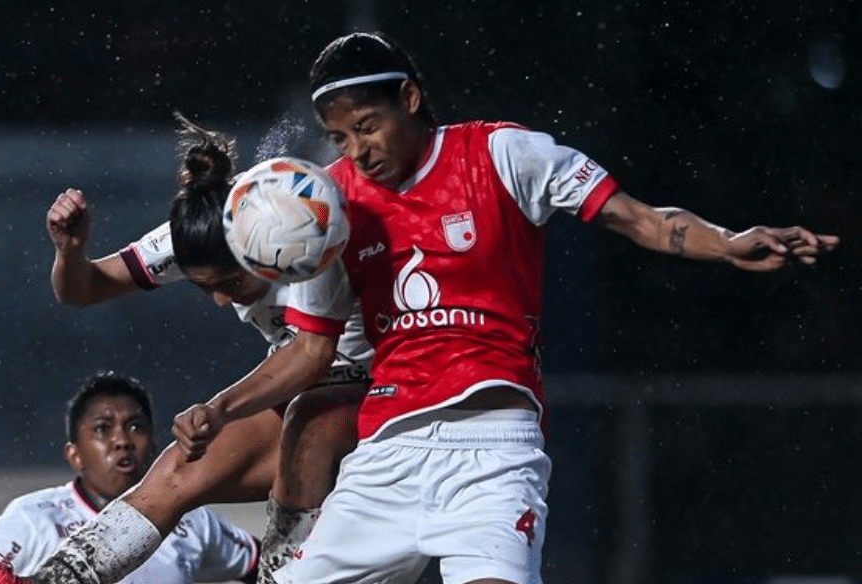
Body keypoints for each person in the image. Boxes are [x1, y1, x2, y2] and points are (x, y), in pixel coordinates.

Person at [165, 31, 840, 584]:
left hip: (493, 452)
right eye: (340, 139)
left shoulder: (502, 154)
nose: (356, 151)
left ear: (411, 97)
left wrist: (726, 244)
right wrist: (221, 408)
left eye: (367, 128)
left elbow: (640, 219)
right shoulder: (328, 206)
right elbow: (310, 352)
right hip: (387, 453)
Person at [0, 117, 372, 584]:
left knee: (310, 428)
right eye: (207, 289)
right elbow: (82, 291)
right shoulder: (192, 233)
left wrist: (219, 408)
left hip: (377, 385)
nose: (222, 300)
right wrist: (71, 252)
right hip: (314, 386)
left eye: (231, 282)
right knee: (177, 469)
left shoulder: (294, 224)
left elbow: (312, 354)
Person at [0, 371, 259, 584]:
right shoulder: (33, 517)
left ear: (156, 447)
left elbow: (260, 562)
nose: (123, 440)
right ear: (74, 455)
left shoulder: (193, 520)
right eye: (103, 429)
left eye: (136, 427)